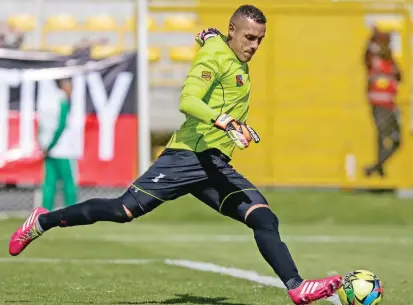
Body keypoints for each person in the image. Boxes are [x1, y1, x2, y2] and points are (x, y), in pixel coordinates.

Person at [9, 5, 342, 305]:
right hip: (187, 157)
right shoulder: (214, 57)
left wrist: (233, 118)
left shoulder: (223, 49)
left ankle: (297, 287)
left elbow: (209, 40)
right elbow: (187, 100)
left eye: (260, 40)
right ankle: (41, 221)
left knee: (263, 217)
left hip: (213, 164)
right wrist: (226, 121)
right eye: (249, 38)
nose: (254, 46)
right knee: (123, 210)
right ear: (232, 31)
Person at [364, 25, 402, 177]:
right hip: (379, 106)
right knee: (382, 137)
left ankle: (376, 168)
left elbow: (400, 77)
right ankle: (378, 171)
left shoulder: (391, 63)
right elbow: (366, 56)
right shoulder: (374, 60)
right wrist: (373, 37)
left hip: (390, 105)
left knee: (395, 140)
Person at [37, 78, 77, 210]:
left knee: (49, 183)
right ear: (64, 85)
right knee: (68, 182)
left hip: (48, 148)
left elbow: (41, 125)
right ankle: (72, 211)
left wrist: (45, 145)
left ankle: (44, 212)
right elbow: (61, 124)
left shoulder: (46, 100)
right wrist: (51, 145)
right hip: (61, 149)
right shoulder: (61, 100)